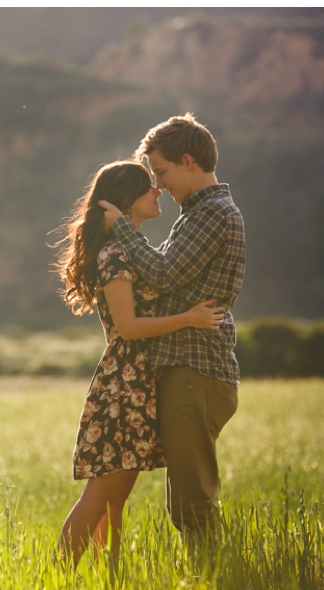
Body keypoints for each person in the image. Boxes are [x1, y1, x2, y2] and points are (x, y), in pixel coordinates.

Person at [52, 160, 225, 570]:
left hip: (138, 381)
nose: (158, 191)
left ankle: (107, 581)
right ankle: (57, 578)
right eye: (149, 186)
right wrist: (190, 318)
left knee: (114, 497)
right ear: (127, 199)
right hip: (124, 383)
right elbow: (128, 327)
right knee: (101, 494)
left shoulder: (129, 248)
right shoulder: (115, 254)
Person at [99, 113, 246, 547]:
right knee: (186, 499)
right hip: (190, 370)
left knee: (191, 501)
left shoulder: (213, 214)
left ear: (188, 161)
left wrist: (121, 229)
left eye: (160, 172)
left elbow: (162, 274)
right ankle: (210, 586)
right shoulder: (197, 214)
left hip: (194, 370)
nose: (158, 184)